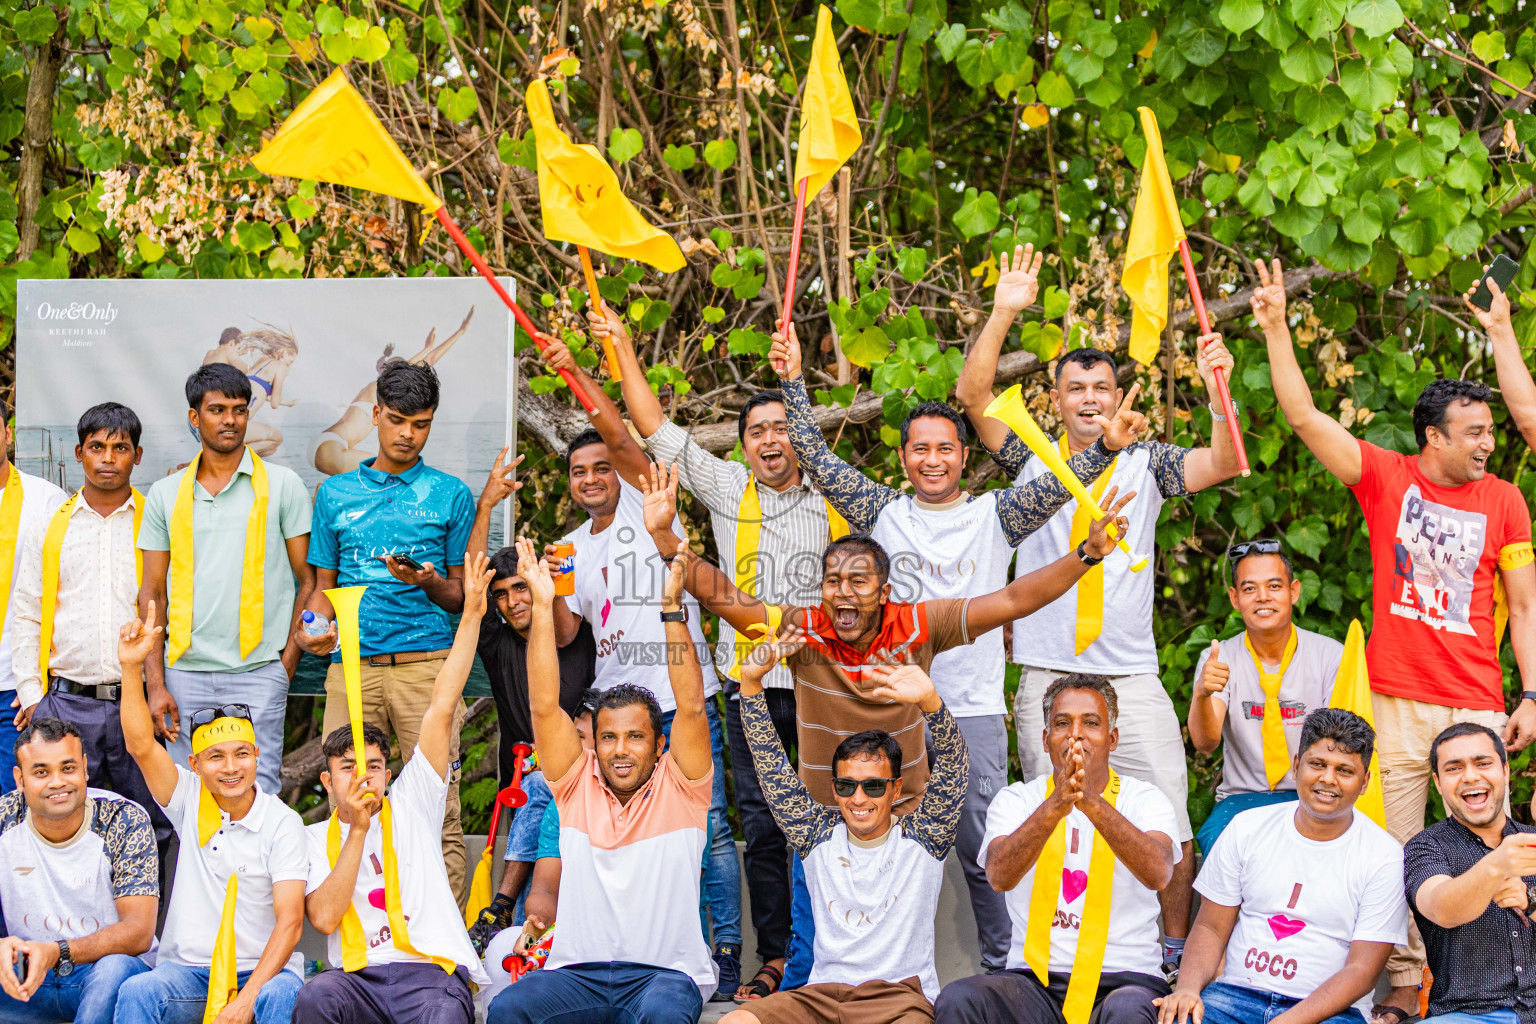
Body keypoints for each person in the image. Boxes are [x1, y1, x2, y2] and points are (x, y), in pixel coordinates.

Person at [771, 312, 1146, 975]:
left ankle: (1007, 972)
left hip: (967, 711)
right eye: (920, 449)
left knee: (982, 852)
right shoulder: (879, 512)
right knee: (865, 846)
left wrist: (1106, 449)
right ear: (904, 456)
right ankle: (857, 973)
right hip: (879, 711)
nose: (933, 460)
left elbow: (1062, 483)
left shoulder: (993, 514)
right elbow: (818, 457)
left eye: (945, 448)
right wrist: (795, 380)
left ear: (963, 456)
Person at [1258, 256, 1536, 1017]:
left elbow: (1524, 600)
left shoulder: (1505, 499)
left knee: (1489, 847)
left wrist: (1533, 693)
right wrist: (1279, 328)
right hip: (1395, 699)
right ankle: (1406, 988)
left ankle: (1491, 986)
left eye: (1490, 430)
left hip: (1475, 701)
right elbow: (1306, 419)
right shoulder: (1386, 477)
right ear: (1431, 438)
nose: (1487, 443)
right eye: (1473, 432)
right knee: (1396, 853)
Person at [954, 244, 1242, 972]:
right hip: (1048, 673)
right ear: (1055, 399)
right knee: (1053, 813)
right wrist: (1004, 310)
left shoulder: (1148, 462)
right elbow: (974, 395)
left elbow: (1226, 461)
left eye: (1102, 387)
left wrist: (1218, 394)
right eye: (1075, 386)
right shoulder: (1033, 461)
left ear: (1117, 397)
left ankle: (1171, 954)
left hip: (1133, 675)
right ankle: (1047, 952)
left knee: (1169, 816)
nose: (1089, 398)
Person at [596, 305, 841, 1002]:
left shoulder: (835, 494)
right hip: (751, 688)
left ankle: (826, 956)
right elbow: (652, 427)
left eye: (782, 428)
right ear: (741, 446)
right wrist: (620, 350)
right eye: (756, 431)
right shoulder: (730, 487)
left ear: (801, 437)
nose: (770, 440)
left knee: (827, 822)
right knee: (762, 828)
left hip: (827, 687)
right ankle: (775, 960)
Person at [536, 335, 739, 993]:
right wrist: (548, 590)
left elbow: (618, 433)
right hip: (618, 712)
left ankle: (726, 949)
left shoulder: (636, 502)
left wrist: (574, 375)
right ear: (568, 484)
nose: (592, 478)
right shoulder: (564, 547)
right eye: (579, 473)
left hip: (679, 694)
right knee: (627, 834)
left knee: (706, 829)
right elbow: (570, 632)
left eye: (600, 469)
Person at [486, 537, 718, 1023]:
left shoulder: (683, 788)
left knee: (663, 1015)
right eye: (609, 736)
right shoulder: (574, 787)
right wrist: (545, 607)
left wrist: (672, 609)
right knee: (508, 1009)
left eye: (636, 736)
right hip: (579, 974)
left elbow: (693, 706)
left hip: (665, 975)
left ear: (660, 747)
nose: (619, 749)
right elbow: (544, 706)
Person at [296, 361, 479, 905]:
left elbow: (461, 595)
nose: (407, 434)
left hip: (427, 669)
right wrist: (312, 630)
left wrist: (428, 582)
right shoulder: (334, 494)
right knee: (347, 808)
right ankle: (359, 942)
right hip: (349, 669)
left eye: (420, 424)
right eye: (397, 420)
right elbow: (322, 588)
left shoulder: (449, 494)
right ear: (375, 415)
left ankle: (443, 955)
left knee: (437, 810)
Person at [290, 552, 495, 1024]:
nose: (364, 777)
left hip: (429, 976)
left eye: (376, 767)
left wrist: (472, 616)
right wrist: (357, 832)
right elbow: (321, 918)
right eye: (349, 768)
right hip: (357, 981)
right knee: (315, 997)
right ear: (327, 780)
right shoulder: (311, 838)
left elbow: (442, 704)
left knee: (444, 1014)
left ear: (388, 772)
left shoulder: (413, 800)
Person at [718, 642, 966, 1024]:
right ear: (834, 790)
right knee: (735, 1022)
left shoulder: (924, 838)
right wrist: (751, 684)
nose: (859, 798)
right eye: (847, 786)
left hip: (899, 999)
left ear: (896, 790)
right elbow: (770, 764)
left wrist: (931, 702)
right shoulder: (816, 835)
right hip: (820, 996)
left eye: (874, 786)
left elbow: (954, 765)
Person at [935, 674, 1177, 1024]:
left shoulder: (1145, 799)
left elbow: (1160, 872)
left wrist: (1091, 803)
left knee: (1127, 1011)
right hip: (1033, 983)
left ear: (1112, 739)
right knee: (959, 998)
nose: (1076, 734)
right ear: (1047, 740)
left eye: (1090, 723)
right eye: (1063, 723)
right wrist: (1055, 806)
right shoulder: (1017, 799)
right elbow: (999, 876)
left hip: (1126, 980)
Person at [116, 601, 308, 1024]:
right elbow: (141, 746)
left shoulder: (282, 823)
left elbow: (292, 921)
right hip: (187, 975)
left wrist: (245, 999)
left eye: (242, 754)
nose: (231, 767)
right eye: (216, 757)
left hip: (260, 973)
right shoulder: (189, 799)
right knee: (138, 991)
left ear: (258, 756)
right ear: (195, 765)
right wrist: (132, 670)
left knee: (282, 994)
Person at [1156, 709, 1409, 1024]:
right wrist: (1189, 989)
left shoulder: (1384, 856)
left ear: (1365, 781)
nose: (1328, 779)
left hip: (1329, 1013)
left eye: (1344, 770)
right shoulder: (1246, 827)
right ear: (1296, 765)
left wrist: (1288, 1021)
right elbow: (1210, 927)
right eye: (1317, 764)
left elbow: (1363, 970)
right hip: (1231, 999)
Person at [136, 363, 314, 795]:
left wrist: (284, 664)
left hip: (258, 671)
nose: (230, 420)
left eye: (239, 409)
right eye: (217, 410)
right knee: (187, 798)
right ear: (194, 417)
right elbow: (152, 592)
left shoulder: (283, 485)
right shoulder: (165, 493)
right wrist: (156, 683)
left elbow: (307, 580)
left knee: (260, 794)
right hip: (184, 675)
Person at [10, 403, 169, 842]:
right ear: (79, 453)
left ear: (137, 457)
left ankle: (148, 914)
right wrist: (33, 696)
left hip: (135, 703)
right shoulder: (50, 525)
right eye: (97, 447)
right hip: (65, 703)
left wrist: (157, 690)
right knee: (70, 826)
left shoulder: (154, 523)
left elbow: (169, 605)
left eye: (120, 448)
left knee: (151, 825)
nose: (107, 458)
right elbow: (26, 610)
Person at [466, 526, 596, 948]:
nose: (512, 601)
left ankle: (501, 909)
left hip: (584, 778)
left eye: (520, 587)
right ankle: (517, 944)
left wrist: (548, 590)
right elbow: (474, 579)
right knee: (534, 807)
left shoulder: (578, 635)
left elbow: (566, 638)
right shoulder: (496, 641)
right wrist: (486, 505)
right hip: (519, 781)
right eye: (502, 594)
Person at [1186, 539, 1344, 853]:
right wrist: (1202, 695)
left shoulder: (1331, 656)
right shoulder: (1220, 658)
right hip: (1241, 800)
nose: (1263, 597)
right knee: (1220, 857)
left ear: (1294, 591)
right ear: (1234, 597)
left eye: (1274, 586)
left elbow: (1339, 746)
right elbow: (1205, 744)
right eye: (1249, 589)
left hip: (1312, 796)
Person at [0, 717, 157, 1024]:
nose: (57, 782)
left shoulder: (123, 820)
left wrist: (56, 951)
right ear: (20, 779)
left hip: (104, 976)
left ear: (85, 768)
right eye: (41, 772)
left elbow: (139, 933)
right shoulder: (4, 818)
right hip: (27, 975)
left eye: (68, 768)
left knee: (115, 968)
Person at [1402, 721, 1536, 1023]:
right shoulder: (1425, 847)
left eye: (1482, 763)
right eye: (1454, 768)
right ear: (1437, 783)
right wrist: (1496, 865)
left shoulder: (1531, 839)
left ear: (1505, 771)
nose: (1471, 776)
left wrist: (1530, 900)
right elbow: (1441, 907)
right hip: (1468, 1015)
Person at [311, 309, 473, 475]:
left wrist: (426, 347)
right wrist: (459, 333)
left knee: (383, 476)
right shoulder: (377, 387)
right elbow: (424, 362)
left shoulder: (376, 390)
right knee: (392, 473)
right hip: (331, 446)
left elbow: (399, 365)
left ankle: (319, 491)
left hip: (329, 444)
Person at [0, 397, 67, 791]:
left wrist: (33, 685)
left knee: (15, 808)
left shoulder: (46, 501)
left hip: (12, 692)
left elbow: (60, 594)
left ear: (7, 433)